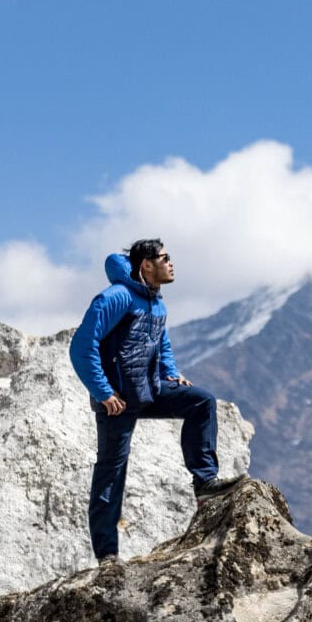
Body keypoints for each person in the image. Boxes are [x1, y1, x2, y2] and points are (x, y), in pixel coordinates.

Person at [68, 238, 242, 565]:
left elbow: (161, 342)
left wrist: (172, 373)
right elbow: (81, 347)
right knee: (111, 473)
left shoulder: (155, 301)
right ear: (146, 265)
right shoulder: (115, 298)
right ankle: (107, 555)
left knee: (201, 402)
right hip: (117, 400)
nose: (171, 263)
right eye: (165, 258)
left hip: (149, 391)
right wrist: (104, 392)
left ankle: (205, 483)